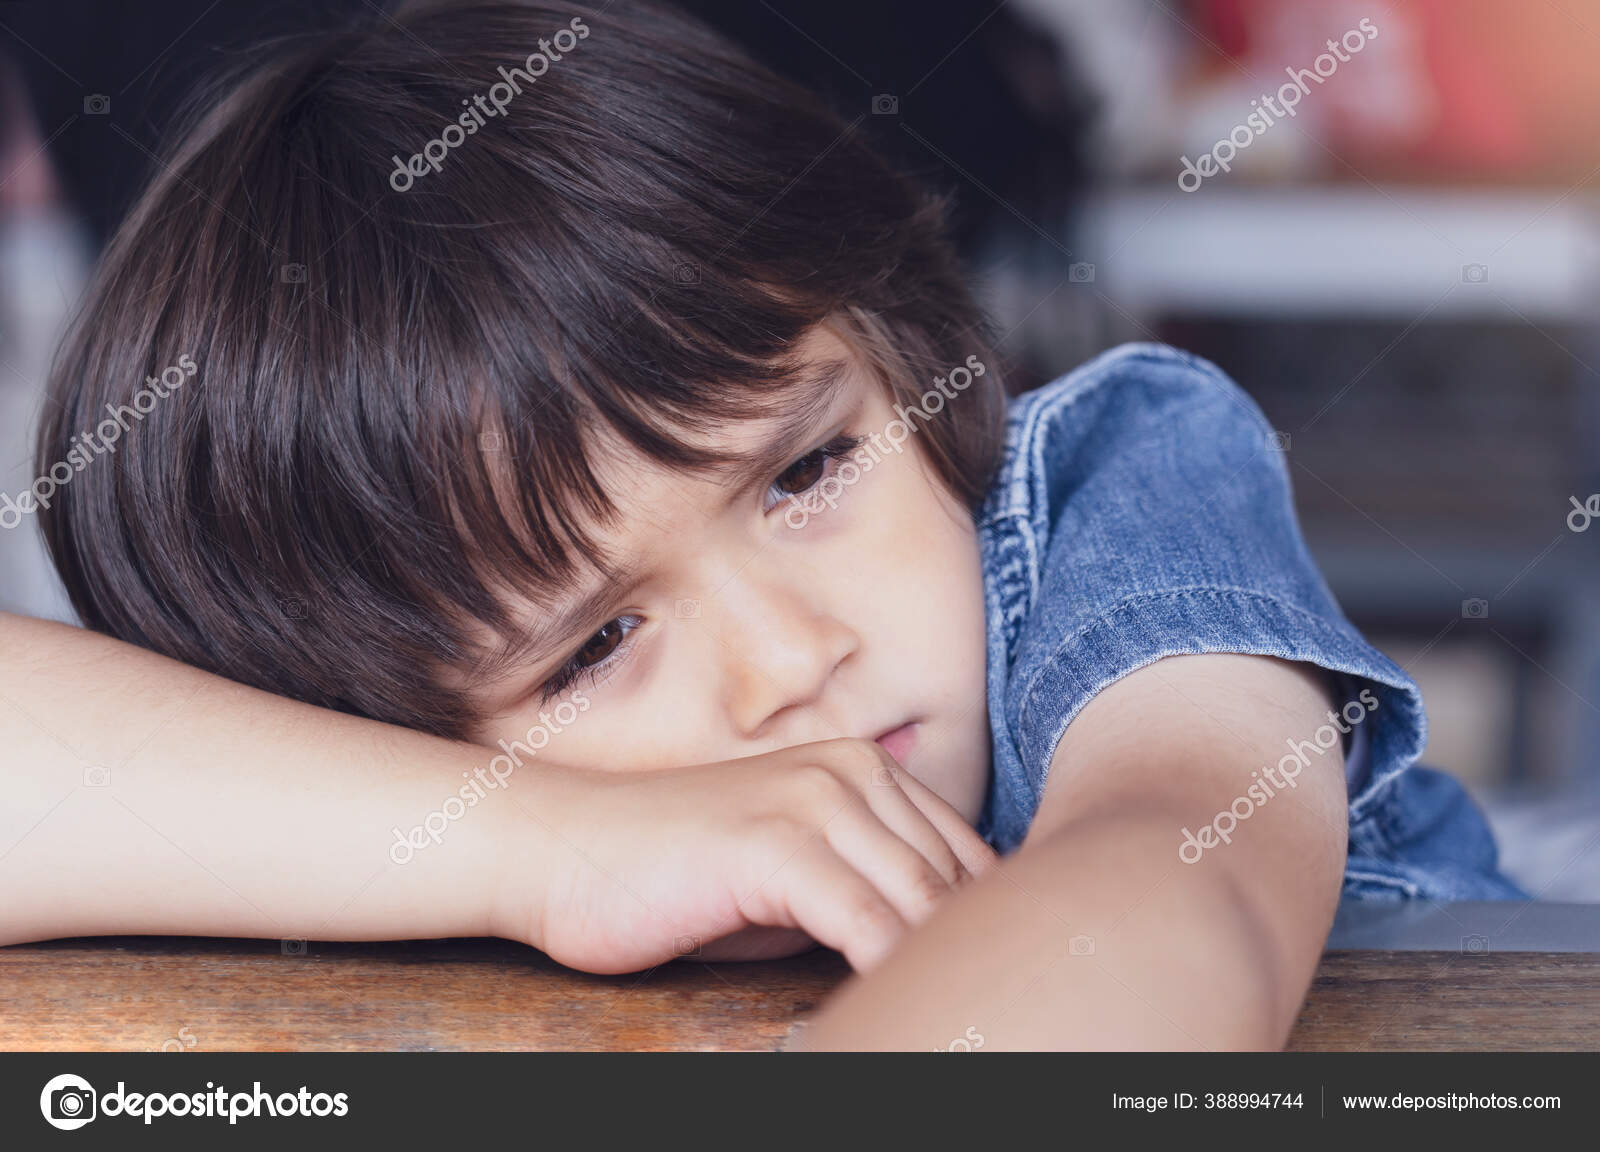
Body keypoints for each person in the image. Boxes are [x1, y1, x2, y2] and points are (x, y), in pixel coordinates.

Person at [3, 0, 1520, 1049]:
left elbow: (1168, 890)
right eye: (595, 645)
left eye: (804, 475)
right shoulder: (408, 815)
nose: (793, 659)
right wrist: (556, 852)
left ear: (910, 352)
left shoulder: (1111, 496)